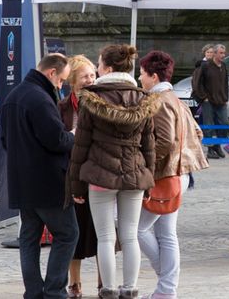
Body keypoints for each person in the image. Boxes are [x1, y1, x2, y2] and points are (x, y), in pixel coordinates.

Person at [69, 44, 161, 299]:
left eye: (99, 64)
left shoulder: (91, 98)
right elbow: (149, 147)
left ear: (107, 68)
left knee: (106, 237)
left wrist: (75, 185)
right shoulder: (144, 99)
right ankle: (130, 288)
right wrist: (149, 184)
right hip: (134, 175)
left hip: (100, 175)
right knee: (130, 236)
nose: (97, 69)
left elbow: (81, 146)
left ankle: (108, 289)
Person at [0, 53, 79, 299]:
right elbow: (56, 140)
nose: (62, 85)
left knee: (29, 238)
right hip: (48, 181)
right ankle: (54, 291)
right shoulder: (40, 99)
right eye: (61, 80)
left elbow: (4, 140)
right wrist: (74, 134)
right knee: (68, 234)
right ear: (51, 73)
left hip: (22, 182)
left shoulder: (14, 96)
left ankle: (33, 292)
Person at [136, 50, 210, 299]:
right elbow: (197, 133)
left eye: (143, 73)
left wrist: (147, 166)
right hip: (179, 172)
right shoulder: (176, 98)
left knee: (136, 229)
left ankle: (166, 284)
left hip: (165, 174)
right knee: (166, 233)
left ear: (153, 77)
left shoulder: (158, 100)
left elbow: (165, 141)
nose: (139, 77)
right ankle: (166, 290)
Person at [59, 55, 101, 298]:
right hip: (73, 176)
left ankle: (102, 282)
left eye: (93, 75)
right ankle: (74, 283)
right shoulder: (62, 107)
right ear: (73, 80)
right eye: (85, 76)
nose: (90, 79)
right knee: (74, 232)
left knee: (102, 233)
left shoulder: (101, 102)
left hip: (98, 175)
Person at [192, 43, 228, 159]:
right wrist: (203, 97)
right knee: (208, 125)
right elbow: (196, 82)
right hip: (208, 101)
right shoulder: (205, 66)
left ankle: (217, 145)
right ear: (215, 54)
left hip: (221, 100)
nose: (223, 55)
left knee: (224, 123)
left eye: (224, 53)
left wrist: (226, 97)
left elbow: (225, 83)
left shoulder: (223, 66)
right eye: (221, 53)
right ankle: (210, 149)